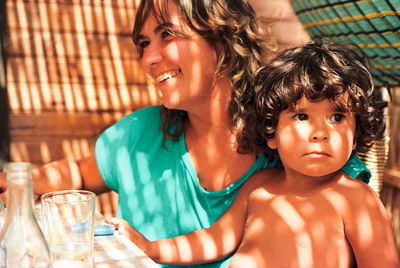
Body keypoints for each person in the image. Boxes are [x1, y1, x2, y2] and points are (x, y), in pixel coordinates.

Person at [0, 1, 373, 267]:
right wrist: (16, 182)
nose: (149, 58)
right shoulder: (140, 134)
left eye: (167, 35)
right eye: (145, 43)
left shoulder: (298, 137)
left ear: (224, 39)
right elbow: (78, 175)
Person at [107, 40, 399, 267]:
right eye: (301, 117)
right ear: (271, 133)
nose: (320, 132)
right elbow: (214, 240)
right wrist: (150, 248)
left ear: (356, 130)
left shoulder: (356, 200)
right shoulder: (260, 185)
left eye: (337, 117)